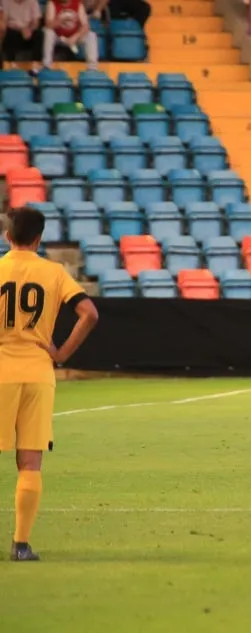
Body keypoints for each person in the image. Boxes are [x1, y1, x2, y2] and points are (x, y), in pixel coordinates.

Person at [0, 207, 99, 561]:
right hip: (39, 374)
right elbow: (89, 313)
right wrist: (61, 354)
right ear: (39, 239)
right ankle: (21, 545)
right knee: (30, 463)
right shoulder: (54, 272)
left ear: (7, 236)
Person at [43, 0, 97, 70]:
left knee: (91, 35)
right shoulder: (52, 3)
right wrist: (60, 21)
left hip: (74, 37)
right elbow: (48, 25)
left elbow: (86, 26)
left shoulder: (77, 4)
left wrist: (75, 37)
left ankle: (92, 68)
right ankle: (47, 65)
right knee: (48, 32)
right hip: (59, 37)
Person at [0, 0, 43, 71]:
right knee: (9, 34)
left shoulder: (32, 2)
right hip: (13, 29)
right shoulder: (5, 2)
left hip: (29, 30)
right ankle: (11, 64)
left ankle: (35, 65)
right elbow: (4, 21)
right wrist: (20, 29)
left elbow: (36, 22)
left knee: (39, 34)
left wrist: (29, 29)